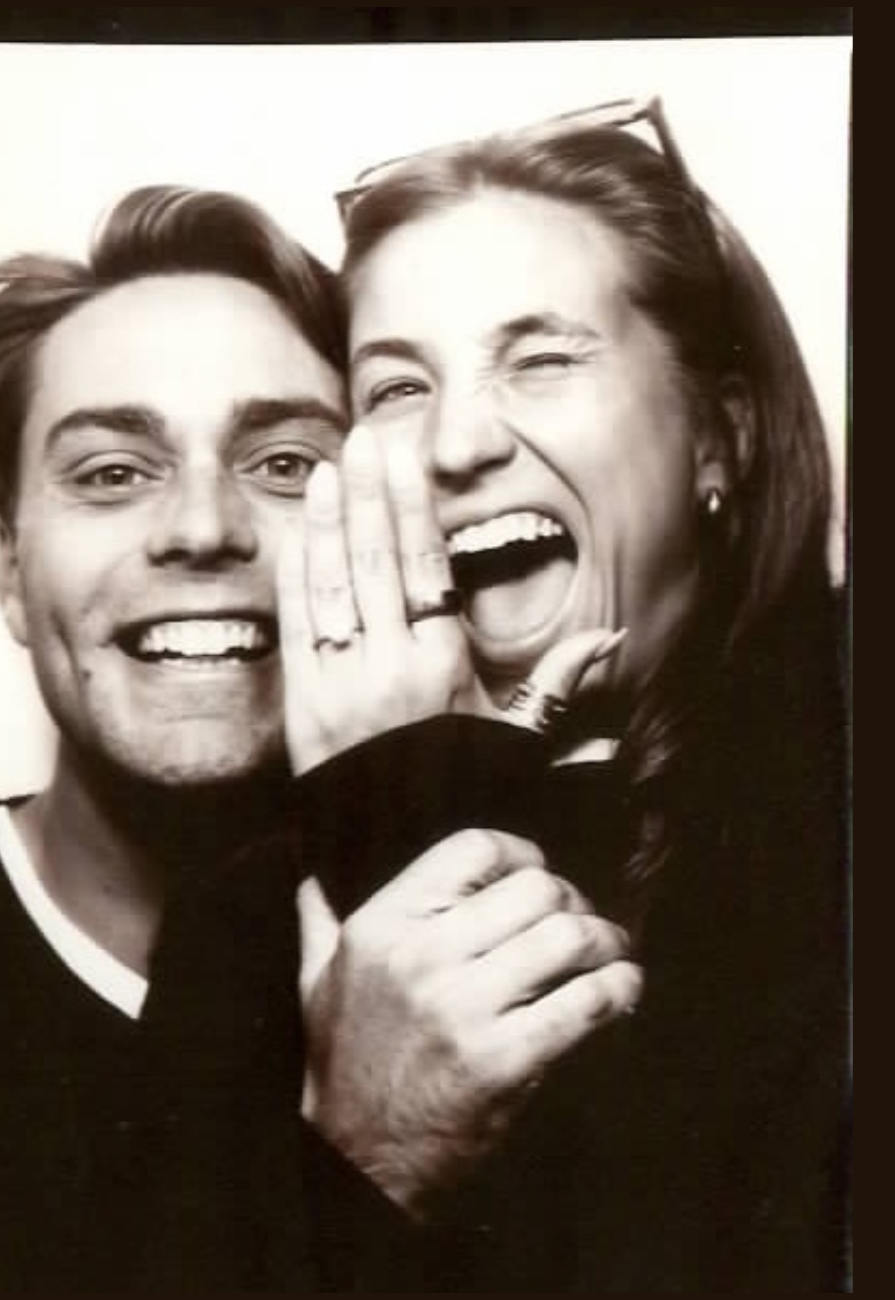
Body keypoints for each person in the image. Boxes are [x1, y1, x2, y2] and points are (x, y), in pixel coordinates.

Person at [191, 95, 847, 1289]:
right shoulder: (240, 916)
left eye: (541, 360)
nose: (456, 447)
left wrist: (416, 832)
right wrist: (395, 826)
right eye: (397, 388)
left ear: (722, 435)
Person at [0, 182, 353, 1290]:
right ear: (9, 568)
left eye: (284, 464)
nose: (203, 529)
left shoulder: (483, 966)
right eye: (113, 474)